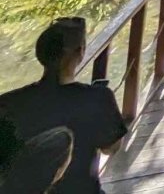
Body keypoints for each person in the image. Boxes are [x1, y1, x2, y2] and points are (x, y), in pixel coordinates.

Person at [0, 18, 125, 194]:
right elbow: (111, 148)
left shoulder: (7, 103)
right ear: (80, 53)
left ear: (40, 54)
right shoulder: (98, 97)